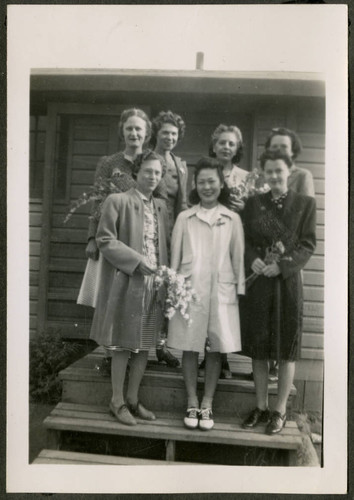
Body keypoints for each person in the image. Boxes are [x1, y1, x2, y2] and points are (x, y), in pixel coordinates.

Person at [77, 108, 178, 367]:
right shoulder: (110, 163)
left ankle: (153, 344)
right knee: (112, 295)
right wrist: (91, 237)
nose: (134, 133)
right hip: (114, 238)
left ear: (147, 134)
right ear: (122, 131)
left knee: (150, 293)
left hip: (143, 237)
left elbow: (162, 200)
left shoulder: (153, 163)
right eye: (129, 129)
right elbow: (98, 199)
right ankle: (112, 352)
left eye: (139, 130)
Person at [90, 150, 170, 426]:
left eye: (157, 173)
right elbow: (104, 239)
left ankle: (133, 400)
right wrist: (137, 262)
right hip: (127, 281)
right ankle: (117, 400)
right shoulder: (117, 201)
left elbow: (163, 246)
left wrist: (163, 277)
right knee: (123, 343)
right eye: (147, 171)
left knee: (144, 343)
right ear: (136, 173)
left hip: (152, 284)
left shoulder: (160, 207)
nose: (152, 177)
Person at [241, 149, 316, 435]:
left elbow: (307, 245)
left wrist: (282, 266)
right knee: (258, 347)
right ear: (263, 173)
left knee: (286, 348)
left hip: (287, 283)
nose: (274, 176)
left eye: (279, 171)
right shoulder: (253, 204)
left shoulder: (305, 204)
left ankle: (279, 409)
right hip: (260, 282)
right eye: (268, 171)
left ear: (290, 171)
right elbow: (245, 240)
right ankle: (260, 406)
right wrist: (253, 259)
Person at [167, 157, 245, 431]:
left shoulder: (232, 218)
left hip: (222, 291)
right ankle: (191, 400)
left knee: (214, 348)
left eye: (212, 181)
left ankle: (207, 403)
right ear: (195, 185)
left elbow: (238, 258)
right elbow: (175, 258)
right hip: (190, 289)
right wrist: (174, 287)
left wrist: (239, 291)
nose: (207, 187)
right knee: (190, 345)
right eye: (202, 182)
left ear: (221, 184)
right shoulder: (185, 218)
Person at [264, 127, 315, 381]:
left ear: (293, 149)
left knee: (286, 310)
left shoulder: (302, 175)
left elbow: (302, 218)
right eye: (274, 147)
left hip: (289, 256)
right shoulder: (263, 174)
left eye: (284, 147)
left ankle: (278, 363)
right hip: (266, 254)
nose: (279, 151)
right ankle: (268, 359)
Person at [199, 124, 248, 379]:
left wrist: (245, 207)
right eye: (222, 143)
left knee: (226, 302)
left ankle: (223, 358)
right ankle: (205, 357)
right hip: (207, 240)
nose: (226, 147)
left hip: (232, 242)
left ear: (237, 148)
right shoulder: (206, 171)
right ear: (214, 145)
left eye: (231, 143)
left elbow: (256, 216)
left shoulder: (246, 177)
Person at [150, 110, 189, 367]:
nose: (169, 137)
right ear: (157, 133)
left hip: (173, 229)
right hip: (151, 228)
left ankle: (161, 345)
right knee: (149, 285)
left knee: (169, 285)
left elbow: (182, 200)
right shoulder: (147, 159)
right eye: (165, 132)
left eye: (174, 134)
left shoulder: (180, 164)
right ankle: (143, 342)